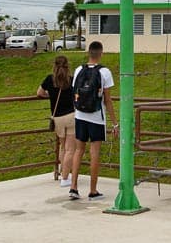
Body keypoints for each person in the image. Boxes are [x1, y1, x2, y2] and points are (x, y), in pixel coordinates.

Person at [69, 41, 116, 201]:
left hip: (80, 115)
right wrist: (114, 122)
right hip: (97, 117)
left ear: (88, 53)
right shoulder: (105, 72)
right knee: (94, 153)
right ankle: (93, 190)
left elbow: (74, 91)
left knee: (78, 151)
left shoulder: (78, 70)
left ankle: (73, 188)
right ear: (101, 53)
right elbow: (107, 100)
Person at [37, 55, 77, 188]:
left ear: (54, 65)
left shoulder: (50, 79)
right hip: (71, 116)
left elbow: (39, 93)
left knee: (62, 146)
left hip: (57, 118)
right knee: (70, 149)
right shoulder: (71, 80)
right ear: (67, 66)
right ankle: (65, 178)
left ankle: (62, 172)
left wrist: (50, 95)